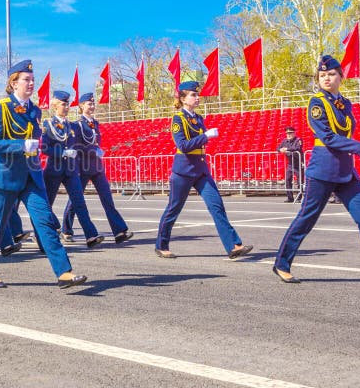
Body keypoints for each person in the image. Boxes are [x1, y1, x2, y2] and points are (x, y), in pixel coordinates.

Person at [273, 55, 360, 290]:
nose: (326, 78)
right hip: (322, 171)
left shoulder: (345, 103)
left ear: (341, 76)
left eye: (331, 74)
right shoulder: (316, 103)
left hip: (346, 173)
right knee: (306, 220)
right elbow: (328, 137)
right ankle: (281, 263)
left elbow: (345, 131)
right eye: (322, 76)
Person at [0, 59, 87, 289]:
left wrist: (30, 148)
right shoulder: (1, 107)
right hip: (5, 176)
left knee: (45, 222)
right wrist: (20, 146)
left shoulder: (35, 110)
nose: (31, 83)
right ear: (14, 82)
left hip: (31, 176)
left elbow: (36, 138)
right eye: (26, 80)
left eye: (32, 80)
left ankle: (64, 272)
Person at [155, 81, 254, 260]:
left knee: (217, 206)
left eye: (197, 94)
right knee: (173, 208)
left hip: (201, 169)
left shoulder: (198, 118)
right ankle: (161, 245)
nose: (197, 97)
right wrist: (205, 136)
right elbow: (183, 145)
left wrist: (204, 137)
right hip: (184, 170)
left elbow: (200, 142)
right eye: (193, 95)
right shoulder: (178, 118)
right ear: (183, 99)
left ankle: (233, 245)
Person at [61, 92, 132, 244]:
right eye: (89, 104)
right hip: (83, 167)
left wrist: (96, 150)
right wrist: (93, 151)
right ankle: (66, 229)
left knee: (107, 199)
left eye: (93, 104)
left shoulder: (96, 123)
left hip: (97, 167)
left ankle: (119, 231)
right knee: (76, 199)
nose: (92, 106)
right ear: (81, 106)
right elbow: (77, 146)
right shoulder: (77, 124)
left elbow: (95, 142)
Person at [41, 90, 104, 248]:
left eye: (68, 104)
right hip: (54, 170)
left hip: (71, 170)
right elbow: (44, 148)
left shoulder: (73, 125)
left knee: (79, 202)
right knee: (47, 204)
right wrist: (62, 152)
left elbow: (80, 144)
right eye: (63, 104)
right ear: (55, 105)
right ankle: (43, 235)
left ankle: (91, 235)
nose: (67, 107)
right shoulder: (48, 124)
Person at [278, 126, 304, 202]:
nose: (288, 134)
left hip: (298, 163)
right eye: (287, 133)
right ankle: (290, 198)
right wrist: (280, 150)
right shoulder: (285, 141)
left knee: (300, 181)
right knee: (288, 180)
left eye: (290, 133)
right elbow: (278, 148)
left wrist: (287, 149)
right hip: (290, 164)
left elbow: (297, 148)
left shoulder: (298, 140)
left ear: (294, 133)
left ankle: (299, 197)